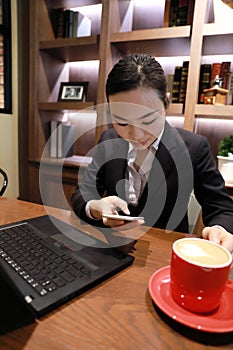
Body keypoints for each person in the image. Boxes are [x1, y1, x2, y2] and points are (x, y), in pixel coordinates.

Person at [71, 53, 233, 252]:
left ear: (166, 104)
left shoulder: (194, 147)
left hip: (166, 253)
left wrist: (220, 229)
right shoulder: (109, 140)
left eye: (147, 120)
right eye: (122, 121)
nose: (135, 134)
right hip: (112, 249)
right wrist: (95, 207)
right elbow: (83, 192)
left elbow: (221, 208)